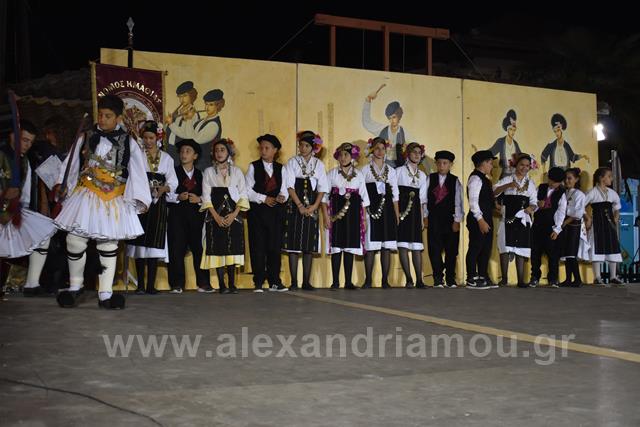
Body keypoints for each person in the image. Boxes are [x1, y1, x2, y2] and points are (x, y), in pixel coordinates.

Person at [54, 95, 151, 309]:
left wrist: (140, 198)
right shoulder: (86, 136)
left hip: (113, 197)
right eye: (101, 115)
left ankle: (105, 293)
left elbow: (137, 170)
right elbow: (71, 162)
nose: (103, 119)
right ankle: (75, 286)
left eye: (108, 116)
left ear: (118, 118)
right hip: (87, 193)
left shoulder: (129, 142)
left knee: (108, 243)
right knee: (74, 239)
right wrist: (62, 183)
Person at [1, 121, 57, 296]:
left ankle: (32, 284)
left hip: (14, 211)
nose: (27, 145)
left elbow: (24, 194)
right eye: (24, 140)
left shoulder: (24, 161)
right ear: (13, 136)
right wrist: (3, 194)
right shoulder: (2, 155)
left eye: (30, 142)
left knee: (43, 236)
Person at [127, 121, 178, 294]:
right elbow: (133, 177)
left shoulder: (167, 158)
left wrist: (164, 188)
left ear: (158, 138)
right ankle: (140, 285)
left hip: (158, 203)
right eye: (145, 138)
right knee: (140, 243)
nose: (148, 141)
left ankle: (151, 285)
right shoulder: (137, 156)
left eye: (151, 138)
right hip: (141, 201)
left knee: (154, 242)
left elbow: (173, 181)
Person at [200, 139, 249, 294]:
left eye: (222, 150)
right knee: (218, 248)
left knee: (232, 248)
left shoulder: (237, 172)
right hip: (215, 215)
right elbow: (206, 197)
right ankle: (222, 284)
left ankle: (232, 284)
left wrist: (234, 215)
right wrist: (216, 217)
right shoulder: (209, 172)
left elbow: (243, 195)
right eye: (217, 150)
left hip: (233, 215)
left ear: (228, 152)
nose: (219, 153)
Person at [282, 131, 328, 291]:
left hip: (312, 206)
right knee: (293, 245)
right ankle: (294, 281)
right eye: (301, 145)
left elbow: (322, 188)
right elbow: (289, 186)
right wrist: (300, 205)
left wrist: (314, 206)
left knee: (308, 245)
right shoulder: (292, 162)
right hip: (295, 206)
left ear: (313, 147)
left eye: (306, 145)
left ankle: (306, 281)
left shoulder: (319, 164)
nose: (303, 148)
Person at [167, 139, 212, 293]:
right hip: (177, 217)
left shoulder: (201, 174)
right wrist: (177, 197)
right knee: (176, 249)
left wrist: (199, 199)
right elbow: (166, 194)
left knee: (199, 249)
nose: (184, 154)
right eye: (182, 151)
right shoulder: (173, 172)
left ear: (195, 156)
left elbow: (208, 195)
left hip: (196, 217)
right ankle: (177, 284)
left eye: (188, 151)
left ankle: (203, 282)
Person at [322, 142, 370, 290]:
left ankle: (348, 282)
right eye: (341, 155)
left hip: (353, 215)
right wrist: (326, 216)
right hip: (335, 214)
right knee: (336, 248)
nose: (343, 157)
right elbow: (324, 197)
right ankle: (335, 282)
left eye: (346, 154)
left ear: (352, 156)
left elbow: (364, 199)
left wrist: (364, 219)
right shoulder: (332, 174)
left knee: (349, 247)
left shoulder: (359, 175)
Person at [246, 134, 289, 292]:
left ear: (275, 150)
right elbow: (247, 190)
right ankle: (258, 281)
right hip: (257, 213)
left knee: (274, 247)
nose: (263, 151)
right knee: (258, 247)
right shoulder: (253, 167)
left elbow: (285, 188)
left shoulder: (281, 168)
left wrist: (282, 197)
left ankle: (274, 281)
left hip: (276, 213)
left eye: (267, 148)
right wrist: (263, 198)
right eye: (261, 148)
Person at [493, 153, 538, 288]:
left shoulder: (530, 184)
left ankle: (521, 280)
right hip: (508, 217)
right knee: (505, 247)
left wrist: (531, 208)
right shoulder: (507, 179)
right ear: (516, 165)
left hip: (523, 218)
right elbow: (494, 192)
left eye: (527, 166)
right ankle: (504, 279)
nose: (524, 168)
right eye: (521, 165)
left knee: (521, 249)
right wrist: (508, 185)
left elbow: (534, 202)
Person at [361, 137, 399, 289]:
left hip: (388, 211)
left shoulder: (391, 171)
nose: (380, 151)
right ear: (372, 149)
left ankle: (385, 280)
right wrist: (363, 215)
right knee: (370, 246)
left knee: (386, 246)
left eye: (383, 148)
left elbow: (395, 195)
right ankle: (368, 280)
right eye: (377, 148)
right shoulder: (365, 170)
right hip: (371, 210)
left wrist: (396, 214)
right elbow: (362, 193)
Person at [424, 150, 463, 288]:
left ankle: (450, 278)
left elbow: (458, 202)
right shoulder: (430, 178)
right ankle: (438, 278)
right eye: (439, 163)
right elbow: (424, 199)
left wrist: (457, 220)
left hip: (450, 219)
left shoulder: (455, 181)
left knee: (451, 250)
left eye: (445, 163)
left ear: (450, 165)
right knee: (434, 249)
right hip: (434, 219)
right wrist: (425, 216)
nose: (442, 166)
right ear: (436, 164)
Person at [395, 142, 428, 288]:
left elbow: (422, 200)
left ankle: (419, 280)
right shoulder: (399, 171)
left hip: (415, 213)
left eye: (419, 153)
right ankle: (409, 279)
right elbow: (394, 195)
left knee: (416, 246)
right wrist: (396, 214)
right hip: (402, 212)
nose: (416, 155)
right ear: (408, 154)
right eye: (414, 152)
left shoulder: (422, 175)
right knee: (403, 245)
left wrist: (422, 218)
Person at [584, 167, 623, 285]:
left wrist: (616, 217)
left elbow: (617, 206)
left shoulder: (612, 193)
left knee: (612, 247)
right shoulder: (592, 192)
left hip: (610, 225)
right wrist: (588, 218)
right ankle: (597, 277)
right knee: (596, 247)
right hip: (597, 224)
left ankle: (613, 276)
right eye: (609, 176)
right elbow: (581, 206)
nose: (611, 179)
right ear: (601, 178)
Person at [529, 167, 567, 288]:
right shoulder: (540, 187)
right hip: (537, 224)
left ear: (560, 182)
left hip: (551, 225)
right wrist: (537, 205)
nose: (552, 183)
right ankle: (535, 277)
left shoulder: (562, 193)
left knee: (553, 254)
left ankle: (553, 279)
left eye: (555, 182)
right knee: (535, 252)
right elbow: (532, 202)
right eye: (550, 180)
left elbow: (561, 212)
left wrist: (557, 229)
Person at [465, 150, 497, 290]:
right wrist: (480, 220)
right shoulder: (475, 179)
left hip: (486, 218)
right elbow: (473, 202)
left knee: (486, 248)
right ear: (483, 163)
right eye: (490, 163)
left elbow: (486, 200)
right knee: (475, 247)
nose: (492, 166)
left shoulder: (485, 179)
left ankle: (483, 276)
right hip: (478, 219)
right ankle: (471, 278)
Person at [558, 168, 586, 287]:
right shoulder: (565, 193)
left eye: (570, 178)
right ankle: (568, 278)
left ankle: (578, 279)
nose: (567, 181)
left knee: (571, 252)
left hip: (573, 225)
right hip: (565, 224)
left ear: (576, 179)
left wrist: (566, 221)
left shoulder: (579, 194)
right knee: (566, 252)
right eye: (565, 178)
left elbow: (578, 213)